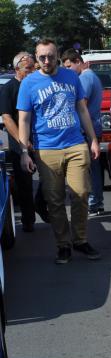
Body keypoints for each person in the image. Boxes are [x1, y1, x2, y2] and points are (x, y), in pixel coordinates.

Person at [17, 39, 101, 264]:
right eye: (42, 57)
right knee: (54, 201)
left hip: (75, 144)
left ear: (57, 56)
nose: (46, 61)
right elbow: (24, 120)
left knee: (81, 194)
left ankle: (80, 240)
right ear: (36, 57)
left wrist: (93, 140)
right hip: (46, 149)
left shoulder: (71, 77)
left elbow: (82, 109)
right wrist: (24, 151)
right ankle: (63, 245)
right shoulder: (29, 83)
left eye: (51, 56)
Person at [61, 49, 104, 216]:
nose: (67, 70)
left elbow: (81, 105)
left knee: (89, 169)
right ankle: (96, 202)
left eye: (69, 66)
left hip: (87, 129)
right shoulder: (91, 76)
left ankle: (94, 202)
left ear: (78, 61)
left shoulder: (85, 78)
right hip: (92, 127)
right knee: (93, 168)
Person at [0, 52, 37, 232]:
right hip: (18, 143)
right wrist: (23, 142)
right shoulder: (8, 89)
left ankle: (41, 205)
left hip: (41, 139)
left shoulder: (36, 85)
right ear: (17, 69)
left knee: (52, 177)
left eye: (33, 68)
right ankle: (28, 220)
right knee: (25, 183)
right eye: (28, 68)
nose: (32, 72)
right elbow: (7, 118)